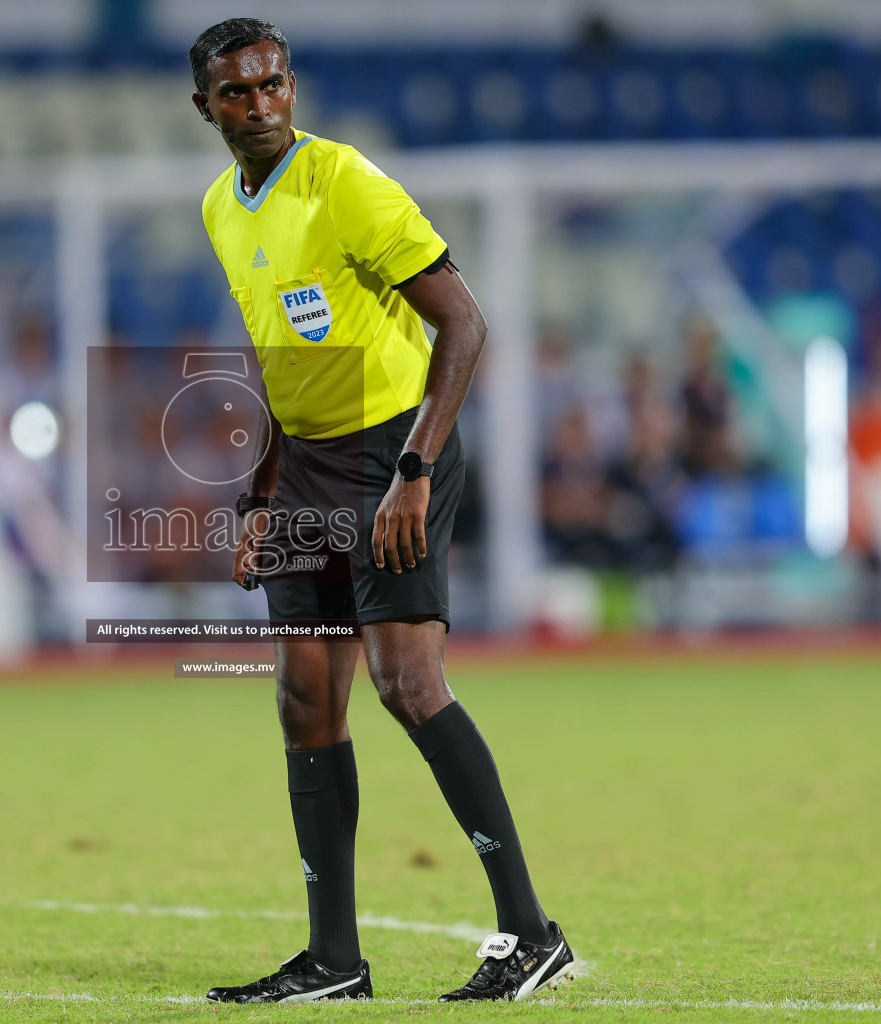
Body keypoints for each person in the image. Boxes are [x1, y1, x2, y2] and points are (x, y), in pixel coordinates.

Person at [191, 18, 574, 1004]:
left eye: (273, 84)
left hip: (398, 449)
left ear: (292, 86)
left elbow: (464, 319)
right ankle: (333, 961)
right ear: (207, 108)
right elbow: (287, 360)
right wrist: (264, 484)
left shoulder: (347, 183)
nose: (261, 105)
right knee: (304, 699)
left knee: (408, 681)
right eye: (237, 92)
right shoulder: (220, 210)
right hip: (310, 467)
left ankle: (531, 934)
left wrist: (414, 466)